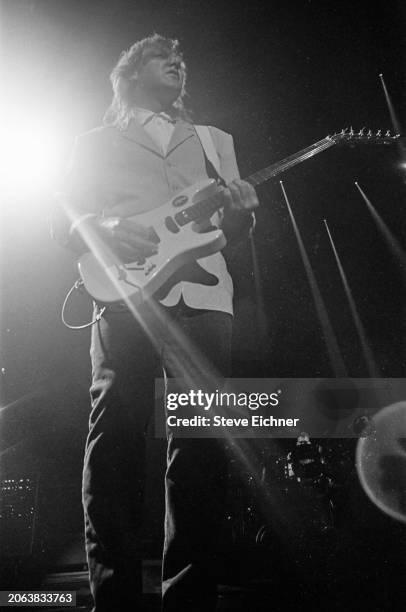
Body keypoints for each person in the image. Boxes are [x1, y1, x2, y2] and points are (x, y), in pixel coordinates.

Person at [51, 34, 258, 611]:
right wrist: (110, 228)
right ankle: (113, 596)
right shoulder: (94, 142)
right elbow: (64, 225)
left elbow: (227, 236)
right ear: (129, 72)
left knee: (202, 446)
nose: (177, 60)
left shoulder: (217, 142)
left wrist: (243, 219)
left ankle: (188, 598)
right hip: (126, 294)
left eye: (182, 58)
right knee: (115, 435)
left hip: (207, 297)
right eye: (160, 54)